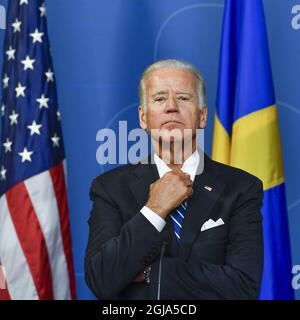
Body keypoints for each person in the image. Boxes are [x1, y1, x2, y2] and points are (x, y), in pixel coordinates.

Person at [84, 59, 264, 300]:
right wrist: (154, 209)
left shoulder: (242, 188)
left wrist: (154, 273)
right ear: (143, 118)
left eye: (183, 98)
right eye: (159, 98)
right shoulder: (109, 188)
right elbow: (102, 279)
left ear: (202, 116)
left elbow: (243, 286)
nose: (171, 107)